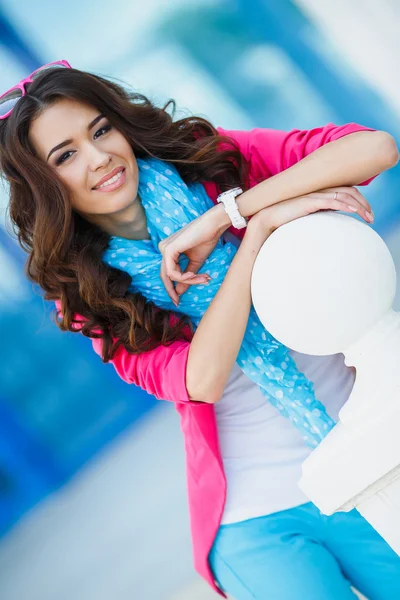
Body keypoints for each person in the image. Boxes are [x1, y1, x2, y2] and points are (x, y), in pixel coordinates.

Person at [1, 61, 399, 600]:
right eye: (66, 156)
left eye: (100, 130)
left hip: (369, 457)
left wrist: (229, 214)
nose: (99, 158)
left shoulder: (207, 164)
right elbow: (202, 378)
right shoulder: (89, 294)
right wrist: (255, 236)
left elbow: (373, 148)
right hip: (258, 521)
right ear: (45, 185)